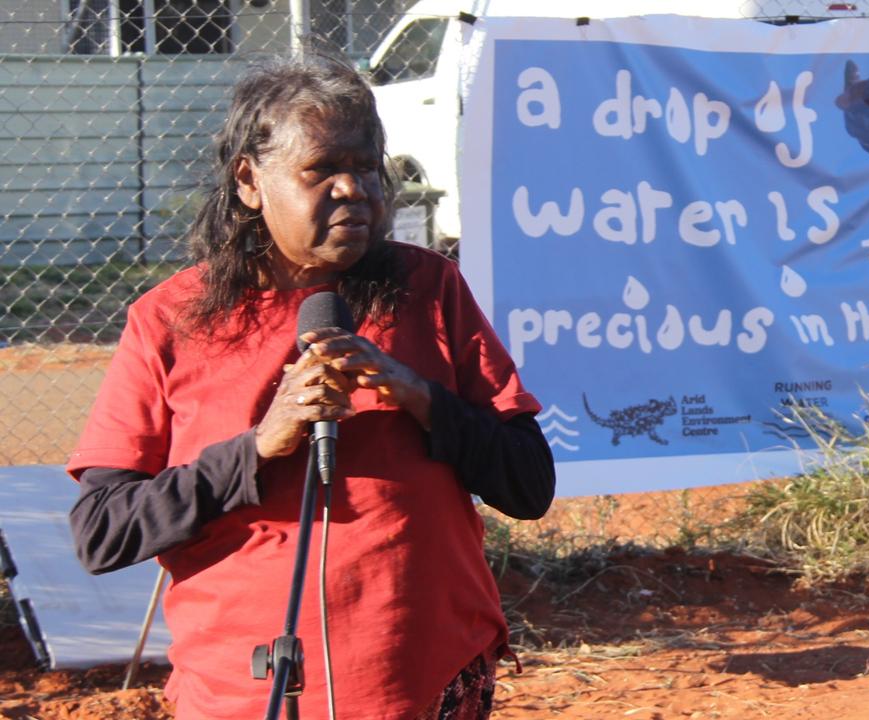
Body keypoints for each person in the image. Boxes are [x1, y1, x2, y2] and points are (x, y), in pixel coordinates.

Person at [66, 51, 555, 720]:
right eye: (322, 170)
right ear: (249, 180)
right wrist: (260, 446)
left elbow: (527, 484)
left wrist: (416, 394)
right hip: (247, 691)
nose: (354, 190)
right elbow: (102, 532)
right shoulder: (168, 320)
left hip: (421, 681)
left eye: (365, 168)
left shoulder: (429, 289)